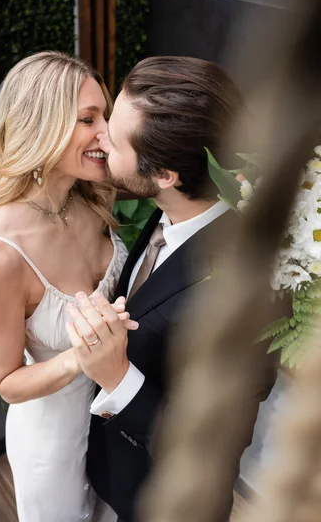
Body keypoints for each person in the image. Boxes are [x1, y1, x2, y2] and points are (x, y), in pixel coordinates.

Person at [65, 56, 277, 522]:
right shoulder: (173, 209)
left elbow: (214, 445)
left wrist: (116, 377)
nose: (97, 138)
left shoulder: (248, 292)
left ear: (165, 175)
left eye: (113, 138)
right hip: (117, 473)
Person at [0, 51, 136, 522]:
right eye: (88, 119)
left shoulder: (92, 195)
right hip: (54, 451)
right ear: (44, 126)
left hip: (117, 425)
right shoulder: (0, 258)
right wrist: (82, 356)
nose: (107, 132)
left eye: (106, 114)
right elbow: (7, 383)